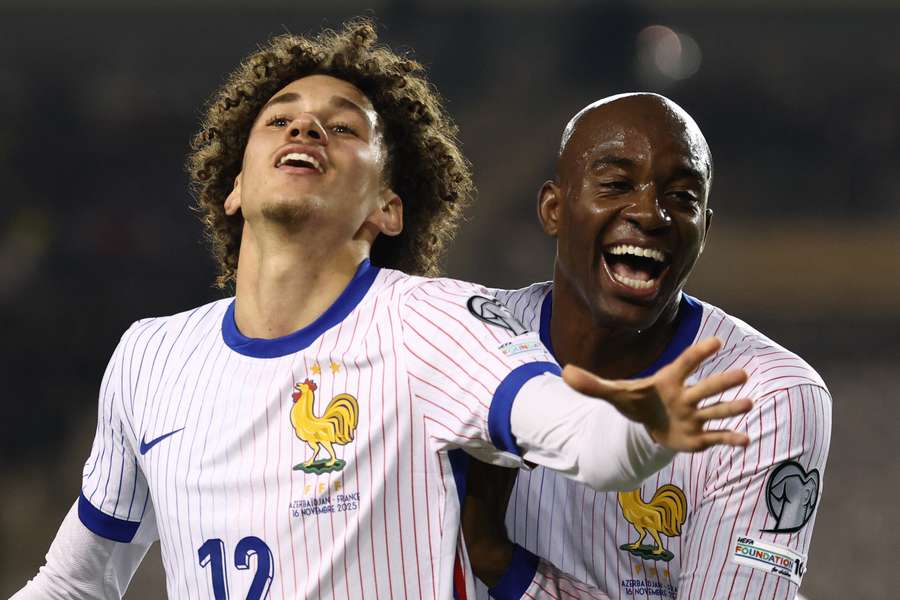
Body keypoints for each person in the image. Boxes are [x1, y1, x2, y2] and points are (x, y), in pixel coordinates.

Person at [12, 23, 752, 600]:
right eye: (282, 119)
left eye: (343, 126)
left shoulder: (438, 324)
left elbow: (582, 438)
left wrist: (642, 431)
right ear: (233, 186)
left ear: (388, 208)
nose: (307, 130)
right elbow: (80, 579)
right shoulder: (151, 357)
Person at [462, 93, 832, 600]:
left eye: (682, 197)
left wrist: (505, 567)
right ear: (553, 209)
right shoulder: (470, 338)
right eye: (616, 184)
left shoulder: (768, 396)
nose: (650, 214)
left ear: (704, 231)